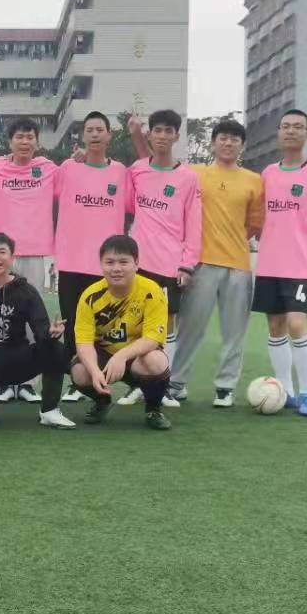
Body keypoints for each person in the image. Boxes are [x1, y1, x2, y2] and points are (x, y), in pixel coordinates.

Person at [131, 119, 263, 407]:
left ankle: (225, 388)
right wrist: (137, 135)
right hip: (201, 265)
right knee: (189, 328)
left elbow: (254, 224)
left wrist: (231, 239)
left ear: (242, 145)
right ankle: (175, 382)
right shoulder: (194, 174)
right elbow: (153, 167)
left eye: (235, 139)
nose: (228, 143)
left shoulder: (254, 180)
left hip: (239, 266)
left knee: (234, 331)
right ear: (213, 143)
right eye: (223, 138)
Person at [0, 118, 59, 404]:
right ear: (10, 141)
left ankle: (27, 384)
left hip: (35, 250)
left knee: (31, 319)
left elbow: (72, 175)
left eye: (30, 137)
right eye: (19, 137)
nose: (25, 142)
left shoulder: (48, 168)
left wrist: (78, 157)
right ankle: (3, 380)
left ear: (37, 142)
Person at [120, 109, 201, 409]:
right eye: (158, 130)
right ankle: (137, 385)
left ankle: (162, 386)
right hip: (138, 264)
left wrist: (187, 265)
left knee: (166, 328)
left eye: (169, 131)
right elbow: (129, 205)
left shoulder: (188, 178)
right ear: (150, 134)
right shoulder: (137, 170)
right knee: (136, 326)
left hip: (169, 265)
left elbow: (195, 225)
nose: (163, 136)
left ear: (177, 136)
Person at [252, 109, 307, 417]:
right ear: (278, 133)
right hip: (269, 262)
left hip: (299, 263)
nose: (291, 131)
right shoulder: (268, 173)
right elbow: (262, 215)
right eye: (285, 126)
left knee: (297, 324)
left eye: (298, 127)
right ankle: (286, 390)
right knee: (275, 326)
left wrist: (301, 239)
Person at [0, 233, 74, 428]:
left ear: (12, 258)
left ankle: (49, 410)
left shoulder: (25, 290)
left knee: (56, 349)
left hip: (17, 357)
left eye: (2, 252)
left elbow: (41, 329)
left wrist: (51, 332)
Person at [53, 111, 131, 402]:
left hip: (107, 266)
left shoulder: (121, 172)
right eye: (90, 130)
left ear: (110, 135)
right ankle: (78, 381)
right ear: (83, 136)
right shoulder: (68, 168)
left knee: (106, 327)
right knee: (74, 325)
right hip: (71, 262)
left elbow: (134, 206)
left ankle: (108, 377)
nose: (95, 134)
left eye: (100, 129)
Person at [70, 235, 173, 430]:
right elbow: (83, 342)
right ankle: (102, 401)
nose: (116, 268)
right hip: (105, 357)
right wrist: (94, 371)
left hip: (137, 358)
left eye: (123, 262)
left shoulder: (152, 291)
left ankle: (153, 409)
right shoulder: (90, 296)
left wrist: (121, 356)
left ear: (136, 263)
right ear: (101, 264)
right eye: (109, 262)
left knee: (156, 361)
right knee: (80, 371)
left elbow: (152, 339)